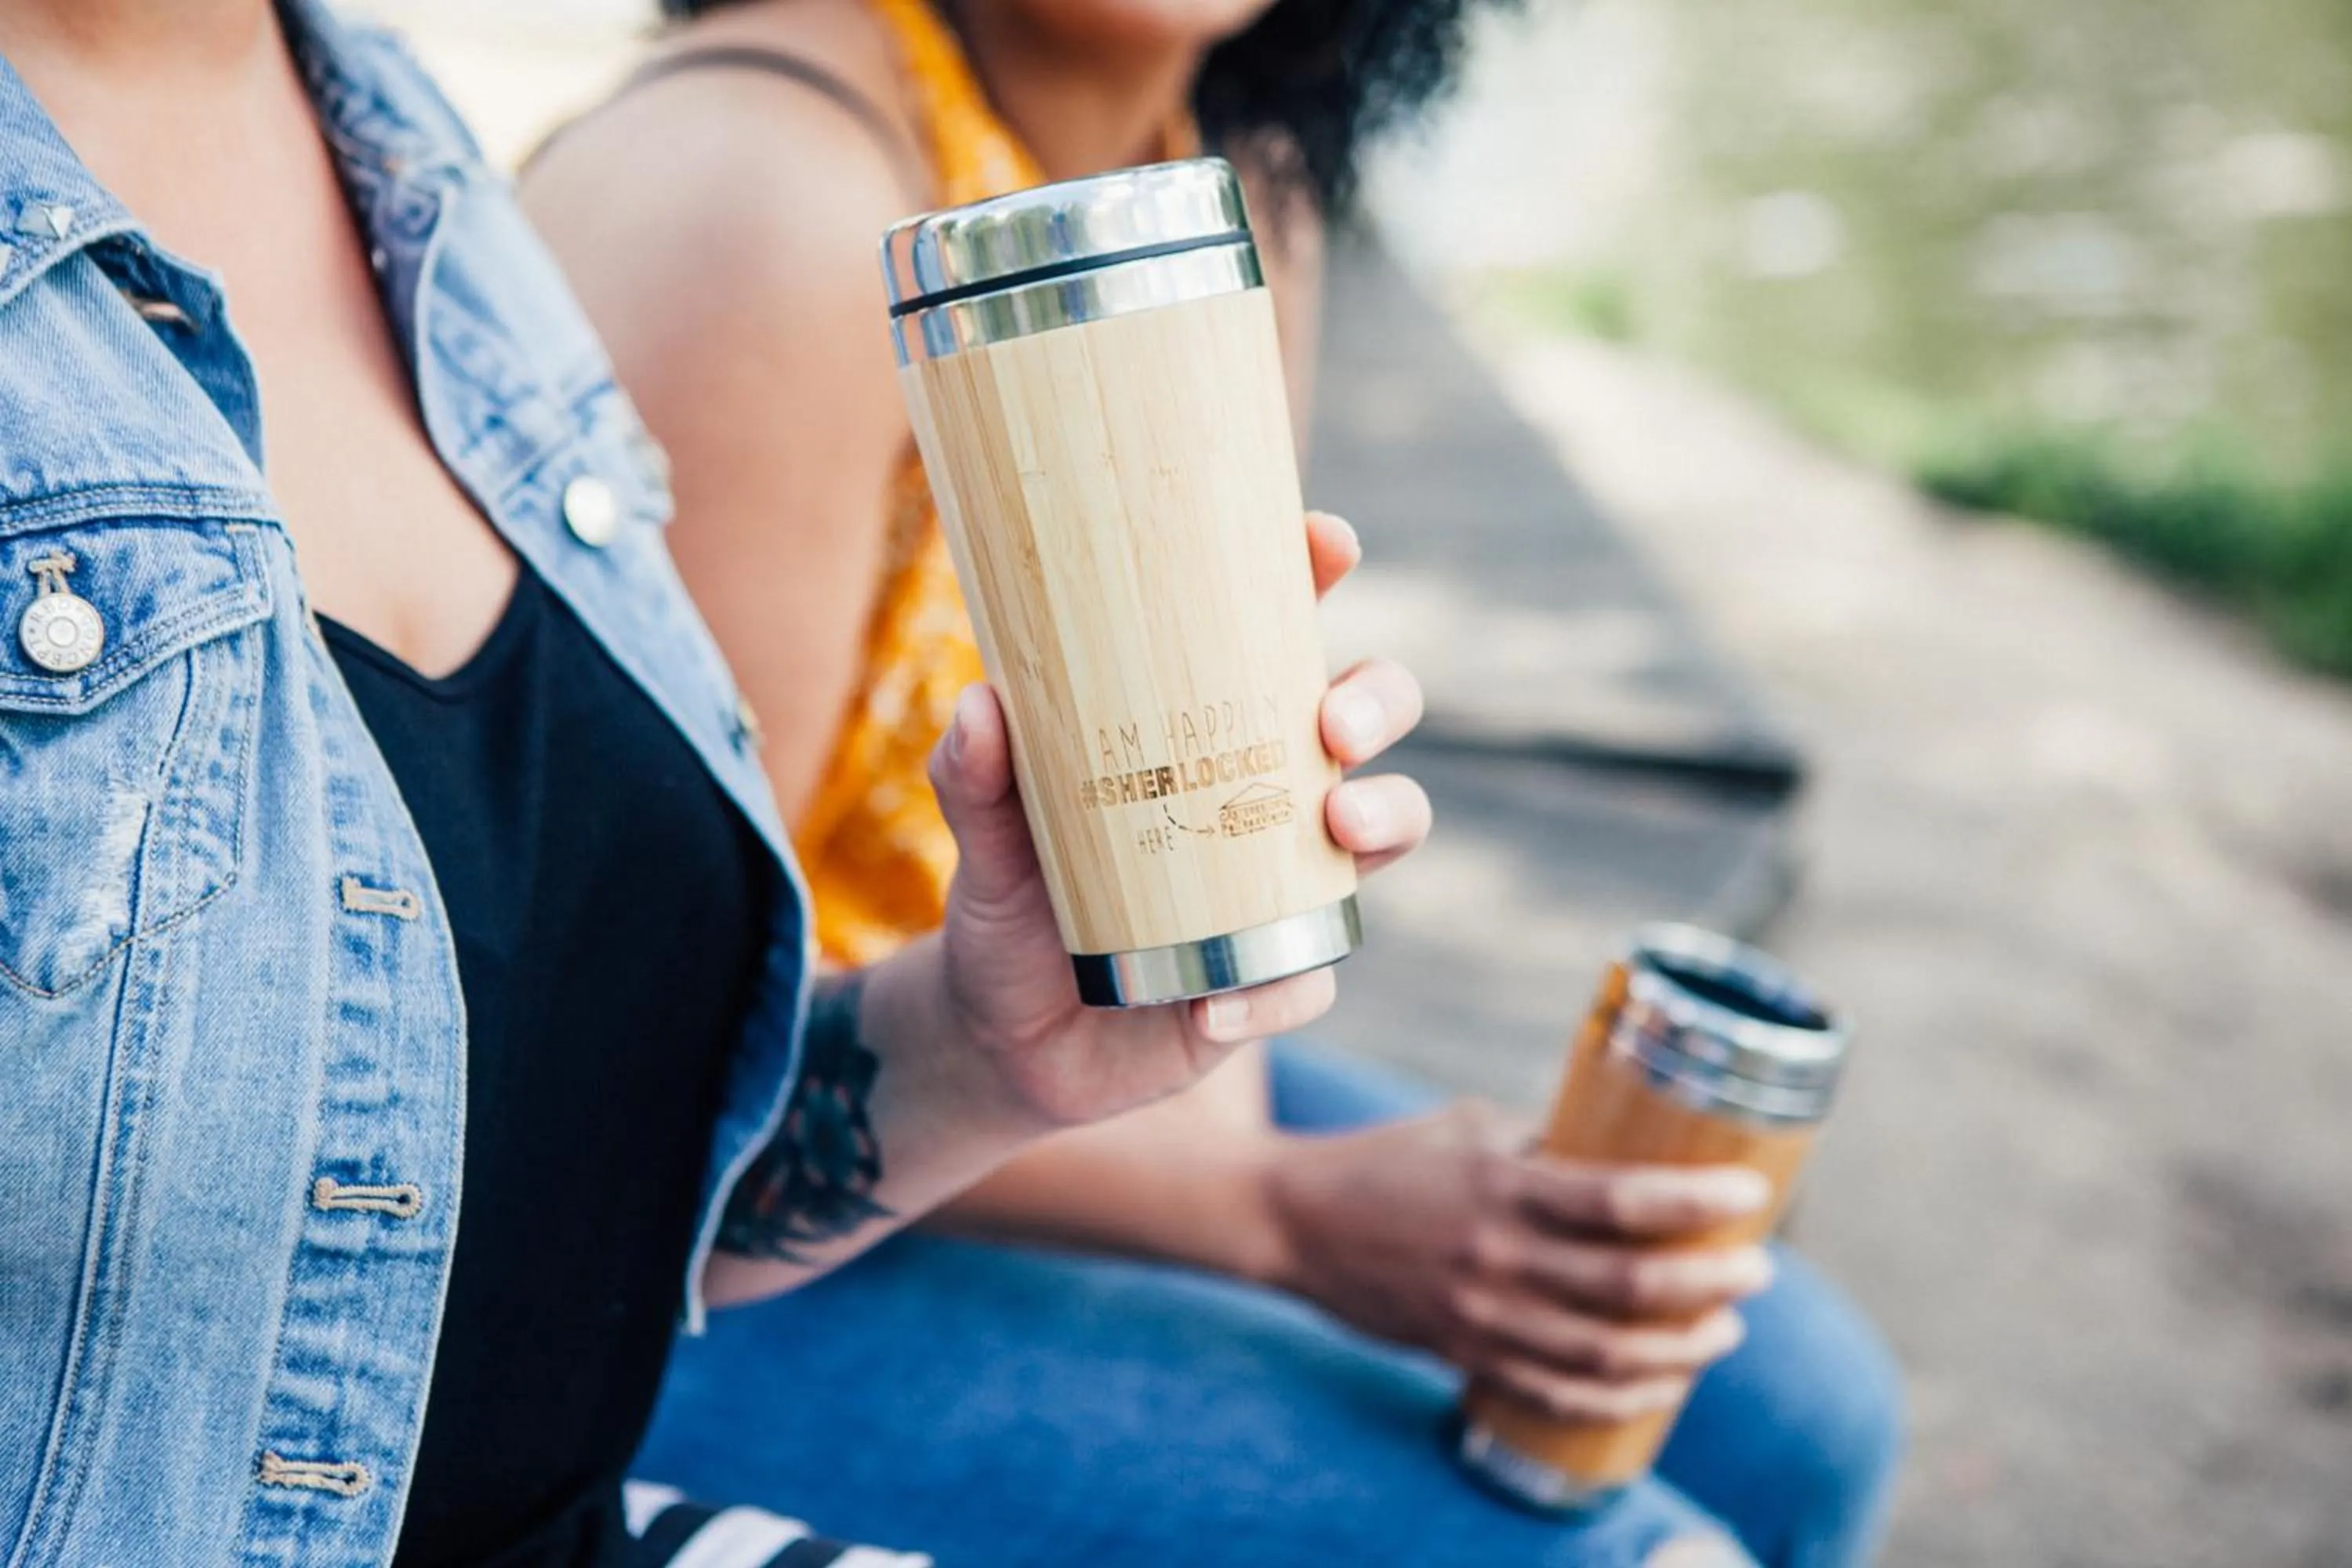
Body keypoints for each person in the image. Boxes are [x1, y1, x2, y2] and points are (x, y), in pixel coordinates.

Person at [0, 2, 1429, 1565]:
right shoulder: (754, 180)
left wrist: (974, 1044)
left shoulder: (391, 141)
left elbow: (525, 1165)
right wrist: (1282, 1216)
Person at [522, 0, 1904, 1563]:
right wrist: (1279, 1219)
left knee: (1801, 1411)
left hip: (1049, 1072)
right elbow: (617, 1078)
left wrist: (1267, 1156)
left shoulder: (1233, 183)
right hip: (667, 1264)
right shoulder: (760, 195)